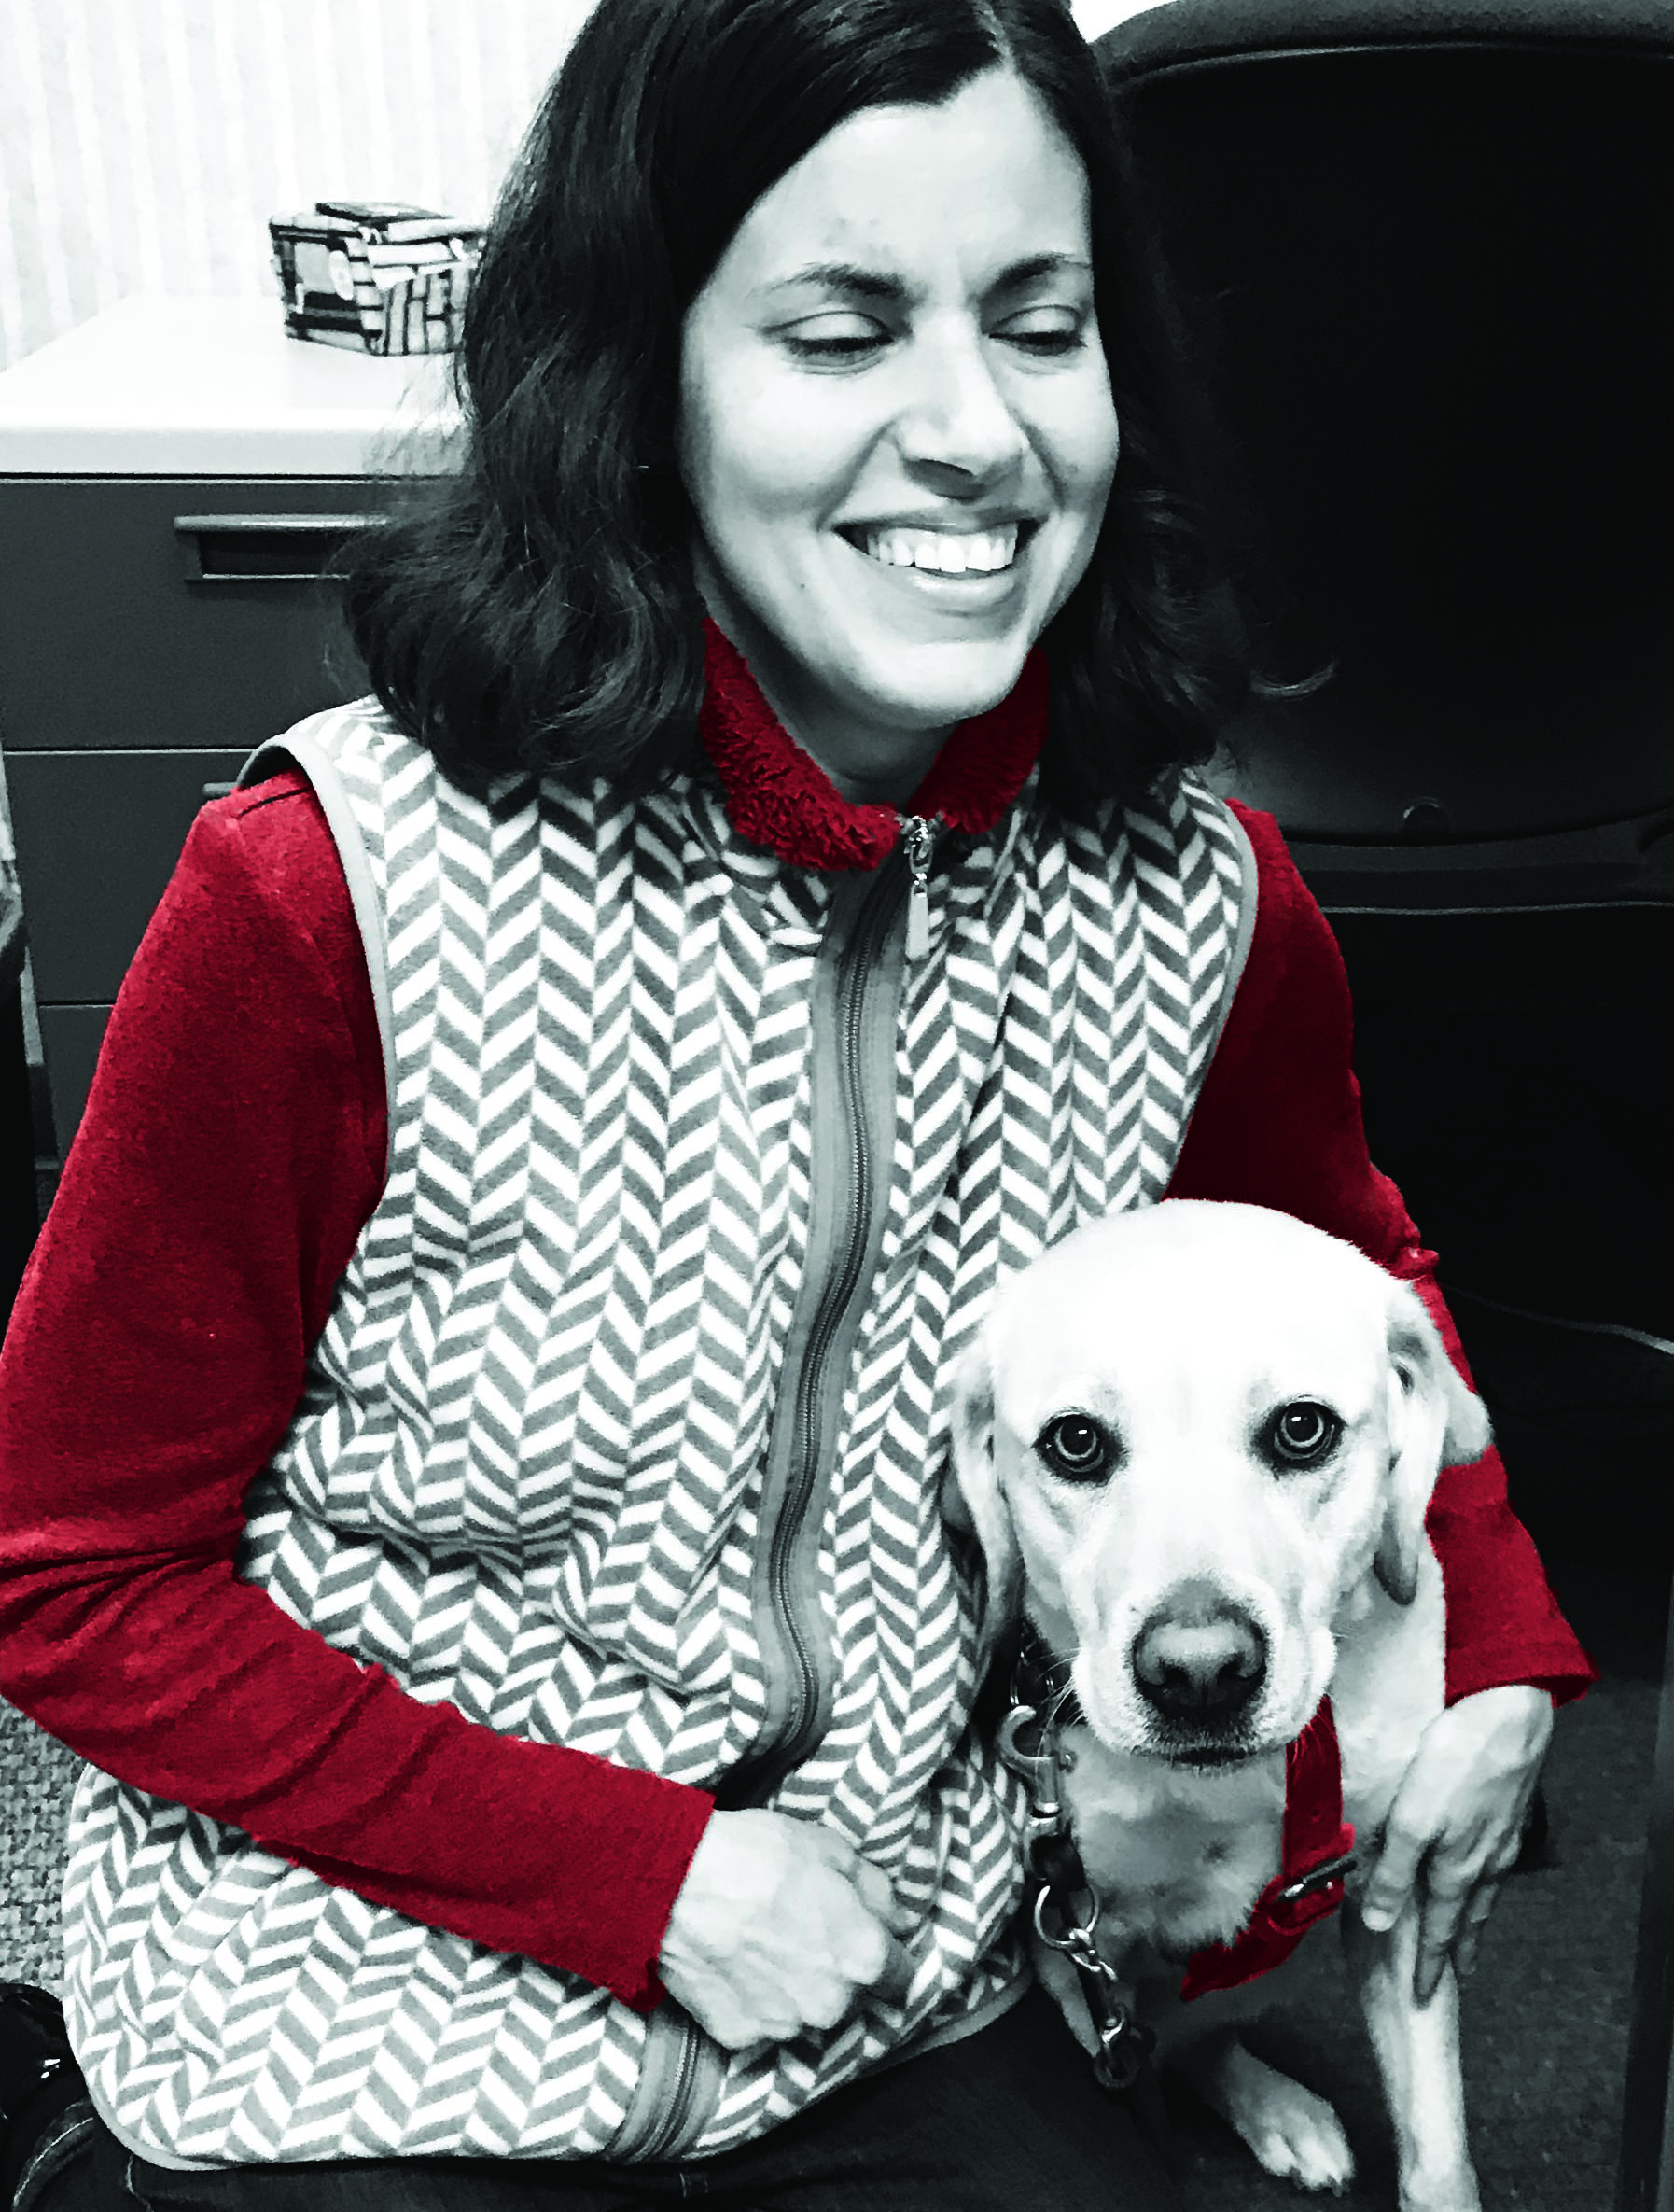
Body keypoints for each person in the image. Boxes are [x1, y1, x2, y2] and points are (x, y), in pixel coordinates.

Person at [0, 1, 1592, 2206]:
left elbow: (1340, 1259)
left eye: (1041, 325)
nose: (976, 435)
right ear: (641, 381)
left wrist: (1493, 1642)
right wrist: (637, 1876)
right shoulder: (317, 897)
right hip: (360, 1978)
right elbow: (72, 1577)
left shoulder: (1200, 893)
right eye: (841, 333)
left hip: (900, 1978)